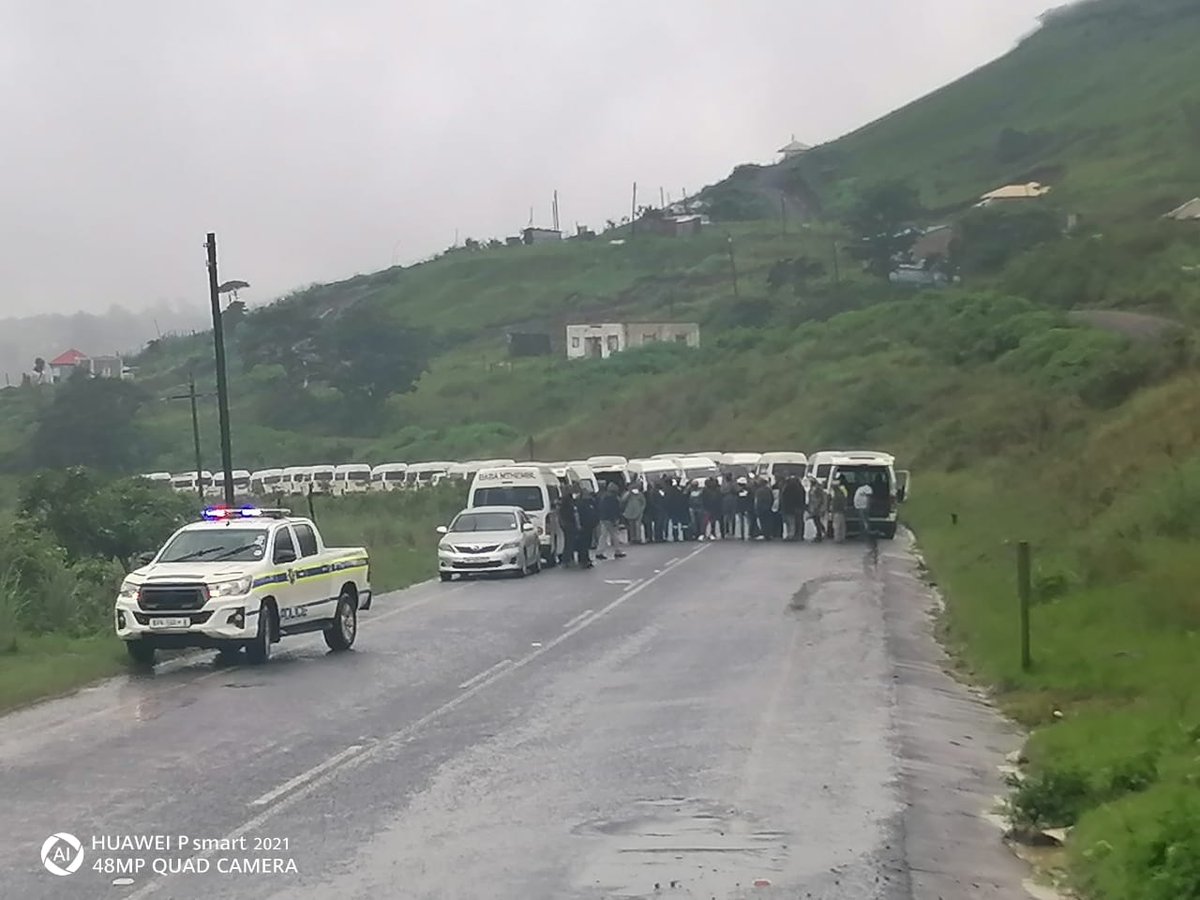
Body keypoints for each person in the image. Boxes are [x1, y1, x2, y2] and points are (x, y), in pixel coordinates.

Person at [597, 483, 626, 559]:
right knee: (615, 535)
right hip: (610, 519)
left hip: (604, 518)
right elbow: (614, 510)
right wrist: (615, 520)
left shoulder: (604, 497)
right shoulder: (613, 499)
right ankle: (617, 551)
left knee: (603, 535)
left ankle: (599, 552)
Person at [574, 486, 599, 568]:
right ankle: (583, 560)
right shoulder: (580, 503)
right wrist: (578, 525)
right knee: (583, 544)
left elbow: (595, 511)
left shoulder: (590, 502)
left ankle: (586, 559)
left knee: (587, 543)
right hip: (583, 526)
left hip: (590, 525)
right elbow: (577, 515)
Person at [557, 489, 579, 566]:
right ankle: (566, 560)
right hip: (570, 526)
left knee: (568, 543)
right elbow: (573, 517)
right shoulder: (569, 507)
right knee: (569, 543)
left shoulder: (562, 507)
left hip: (565, 526)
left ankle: (568, 559)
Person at [780, 475, 805, 541]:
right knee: (797, 522)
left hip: (791, 507)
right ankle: (798, 535)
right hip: (798, 507)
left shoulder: (789, 488)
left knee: (791, 522)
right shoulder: (800, 488)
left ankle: (792, 535)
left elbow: (787, 498)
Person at [807, 478, 828, 543]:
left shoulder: (817, 489)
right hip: (813, 507)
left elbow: (819, 499)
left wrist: (817, 507)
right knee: (817, 521)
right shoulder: (813, 488)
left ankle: (819, 535)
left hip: (816, 508)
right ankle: (822, 532)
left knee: (817, 521)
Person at [830, 476, 849, 544]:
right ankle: (842, 538)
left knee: (837, 526)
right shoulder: (842, 492)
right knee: (842, 526)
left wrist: (832, 511)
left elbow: (834, 505)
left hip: (837, 512)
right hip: (842, 512)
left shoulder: (836, 495)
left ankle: (837, 539)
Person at [720, 475, 738, 540]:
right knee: (732, 517)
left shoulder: (724, 485)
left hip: (725, 501)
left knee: (726, 517)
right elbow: (736, 490)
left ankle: (726, 531)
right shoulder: (733, 484)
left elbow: (721, 491)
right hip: (732, 501)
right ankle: (732, 531)